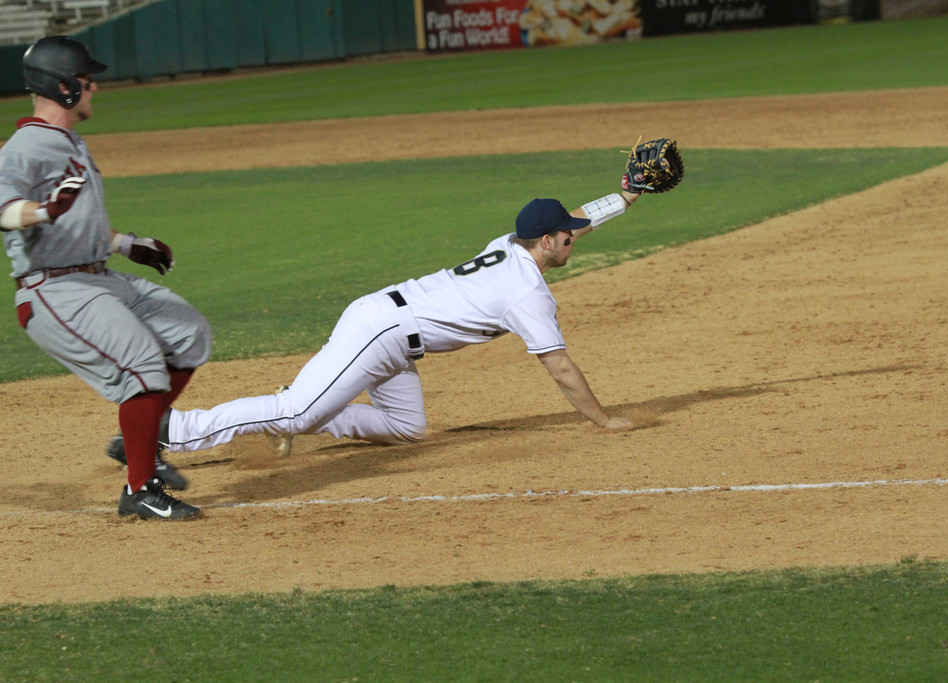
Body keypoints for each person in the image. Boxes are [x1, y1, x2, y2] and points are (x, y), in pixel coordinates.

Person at [157, 182, 646, 460]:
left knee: (406, 428)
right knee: (294, 412)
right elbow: (560, 369)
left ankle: (316, 403)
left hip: (394, 336)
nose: (574, 239)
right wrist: (603, 419)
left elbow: (576, 215)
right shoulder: (526, 293)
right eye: (567, 236)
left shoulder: (509, 244)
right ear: (545, 240)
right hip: (379, 332)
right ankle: (173, 429)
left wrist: (628, 195)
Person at [0, 36, 211, 521]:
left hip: (98, 277)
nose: (94, 87)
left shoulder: (72, 141)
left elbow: (81, 223)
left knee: (189, 334)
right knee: (141, 365)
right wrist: (45, 210)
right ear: (65, 86)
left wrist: (126, 244)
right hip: (53, 289)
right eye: (87, 79)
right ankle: (141, 490)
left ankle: (139, 441)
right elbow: (5, 210)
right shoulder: (26, 146)